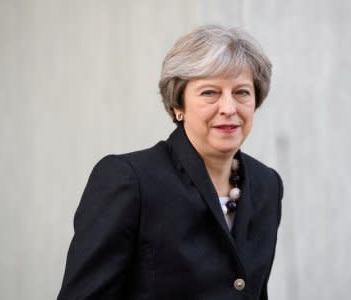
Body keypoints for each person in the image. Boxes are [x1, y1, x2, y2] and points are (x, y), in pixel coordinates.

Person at [57, 24, 283, 300]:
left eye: (242, 92)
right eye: (209, 92)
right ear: (178, 106)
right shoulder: (129, 179)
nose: (229, 108)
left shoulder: (266, 183)